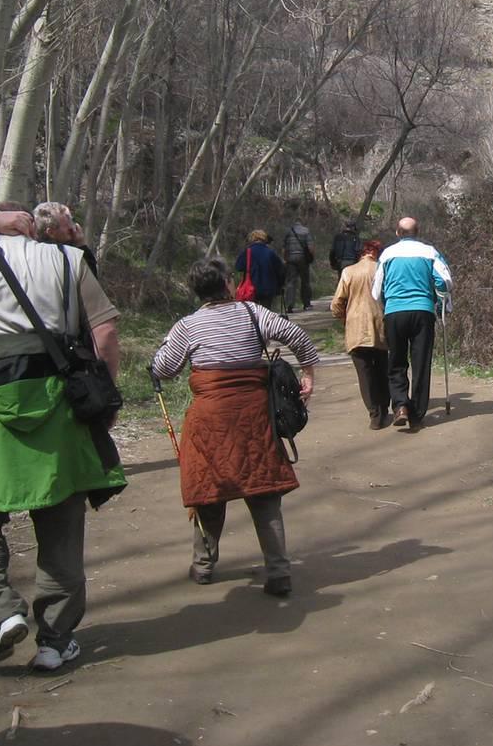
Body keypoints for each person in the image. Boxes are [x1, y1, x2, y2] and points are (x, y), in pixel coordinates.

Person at [0, 201, 126, 673]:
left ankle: (0, 614)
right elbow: (105, 333)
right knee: (60, 516)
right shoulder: (66, 260)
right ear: (35, 230)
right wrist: (107, 394)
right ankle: (56, 641)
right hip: (57, 402)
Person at [151, 259, 319, 592]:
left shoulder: (188, 325)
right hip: (254, 416)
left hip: (209, 420)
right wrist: (309, 375)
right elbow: (297, 336)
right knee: (264, 491)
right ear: (228, 284)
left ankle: (203, 566)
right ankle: (279, 572)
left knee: (208, 491)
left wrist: (156, 358)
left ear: (196, 291)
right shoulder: (254, 313)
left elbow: (165, 368)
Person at [372, 217, 451, 430]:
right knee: (421, 362)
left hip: (395, 313)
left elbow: (376, 290)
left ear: (397, 233)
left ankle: (400, 406)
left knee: (396, 360)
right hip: (422, 311)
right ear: (418, 232)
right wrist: (438, 299)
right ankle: (416, 413)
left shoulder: (387, 254)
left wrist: (386, 306)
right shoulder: (430, 252)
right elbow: (444, 281)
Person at [331, 238, 390, 429]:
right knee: (381, 369)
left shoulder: (349, 272)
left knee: (364, 374)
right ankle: (384, 407)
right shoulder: (383, 270)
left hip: (356, 329)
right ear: (377, 253)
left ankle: (374, 414)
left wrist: (345, 319)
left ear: (361, 253)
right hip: (380, 326)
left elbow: (337, 303)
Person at [233, 229, 285, 312]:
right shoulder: (270, 252)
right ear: (264, 239)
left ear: (252, 239)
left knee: (253, 313)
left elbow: (238, 267)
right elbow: (281, 270)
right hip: (268, 288)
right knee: (266, 312)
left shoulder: (248, 251)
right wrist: (280, 285)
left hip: (251, 289)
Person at [280, 207, 314, 313]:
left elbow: (284, 248)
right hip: (303, 259)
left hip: (290, 259)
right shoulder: (306, 231)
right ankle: (306, 303)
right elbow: (310, 247)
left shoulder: (288, 231)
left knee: (291, 282)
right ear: (302, 222)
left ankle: (289, 305)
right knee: (305, 281)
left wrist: (284, 259)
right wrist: (311, 257)